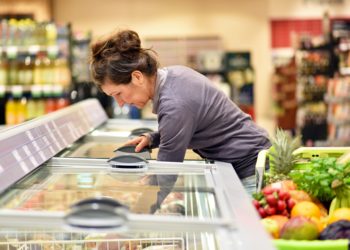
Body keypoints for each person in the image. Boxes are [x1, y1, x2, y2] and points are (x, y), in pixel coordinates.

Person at [90, 29, 271, 194]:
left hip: (250, 170)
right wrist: (153, 138)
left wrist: (136, 218)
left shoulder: (173, 103)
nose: (120, 103)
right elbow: (189, 124)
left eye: (118, 94)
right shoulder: (173, 75)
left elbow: (166, 176)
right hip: (247, 160)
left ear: (137, 77)